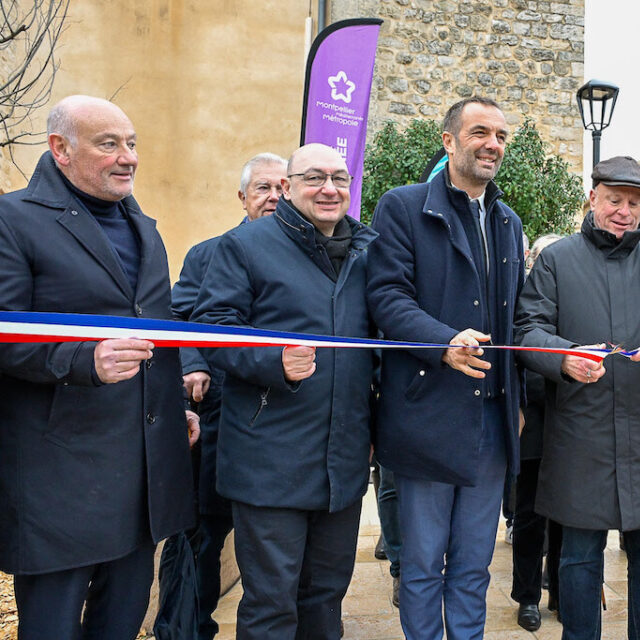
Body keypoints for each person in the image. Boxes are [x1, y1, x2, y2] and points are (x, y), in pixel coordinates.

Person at [0, 95, 196, 640]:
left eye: (131, 143)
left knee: (122, 621)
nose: (128, 157)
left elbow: (158, 328)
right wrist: (83, 359)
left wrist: (173, 402)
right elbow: (5, 333)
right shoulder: (11, 220)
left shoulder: (144, 226)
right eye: (108, 144)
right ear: (60, 149)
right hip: (58, 479)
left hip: (140, 477)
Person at [515, 155, 640, 640]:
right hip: (582, 434)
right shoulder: (558, 260)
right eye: (614, 201)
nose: (624, 211)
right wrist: (563, 357)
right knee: (579, 558)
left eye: (634, 203)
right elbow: (528, 328)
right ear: (593, 199)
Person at [192, 143, 377, 639]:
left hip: (343, 460)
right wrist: (273, 362)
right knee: (272, 604)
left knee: (325, 599)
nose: (329, 188)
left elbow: (380, 343)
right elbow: (212, 328)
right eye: (314, 177)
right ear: (289, 188)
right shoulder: (246, 246)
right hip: (269, 459)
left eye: (339, 178)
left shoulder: (368, 251)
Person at [367, 96, 525, 640]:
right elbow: (386, 296)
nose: (493, 145)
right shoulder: (403, 206)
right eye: (480, 132)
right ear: (449, 141)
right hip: (425, 417)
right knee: (422, 565)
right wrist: (442, 343)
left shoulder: (508, 220)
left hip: (492, 422)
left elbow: (515, 319)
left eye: (502, 136)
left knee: (474, 565)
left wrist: (518, 401)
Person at [170, 152, 286, 640]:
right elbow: (178, 318)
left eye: (283, 186)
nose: (275, 197)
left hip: (286, 424)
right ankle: (188, 628)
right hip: (219, 416)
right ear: (242, 198)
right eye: (263, 188)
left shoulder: (321, 258)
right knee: (202, 536)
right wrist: (193, 363)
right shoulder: (209, 252)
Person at [512, 233, 564, 632]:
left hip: (572, 421)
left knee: (567, 515)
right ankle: (527, 596)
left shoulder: (577, 297)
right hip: (531, 418)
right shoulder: (521, 302)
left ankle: (563, 593)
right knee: (529, 516)